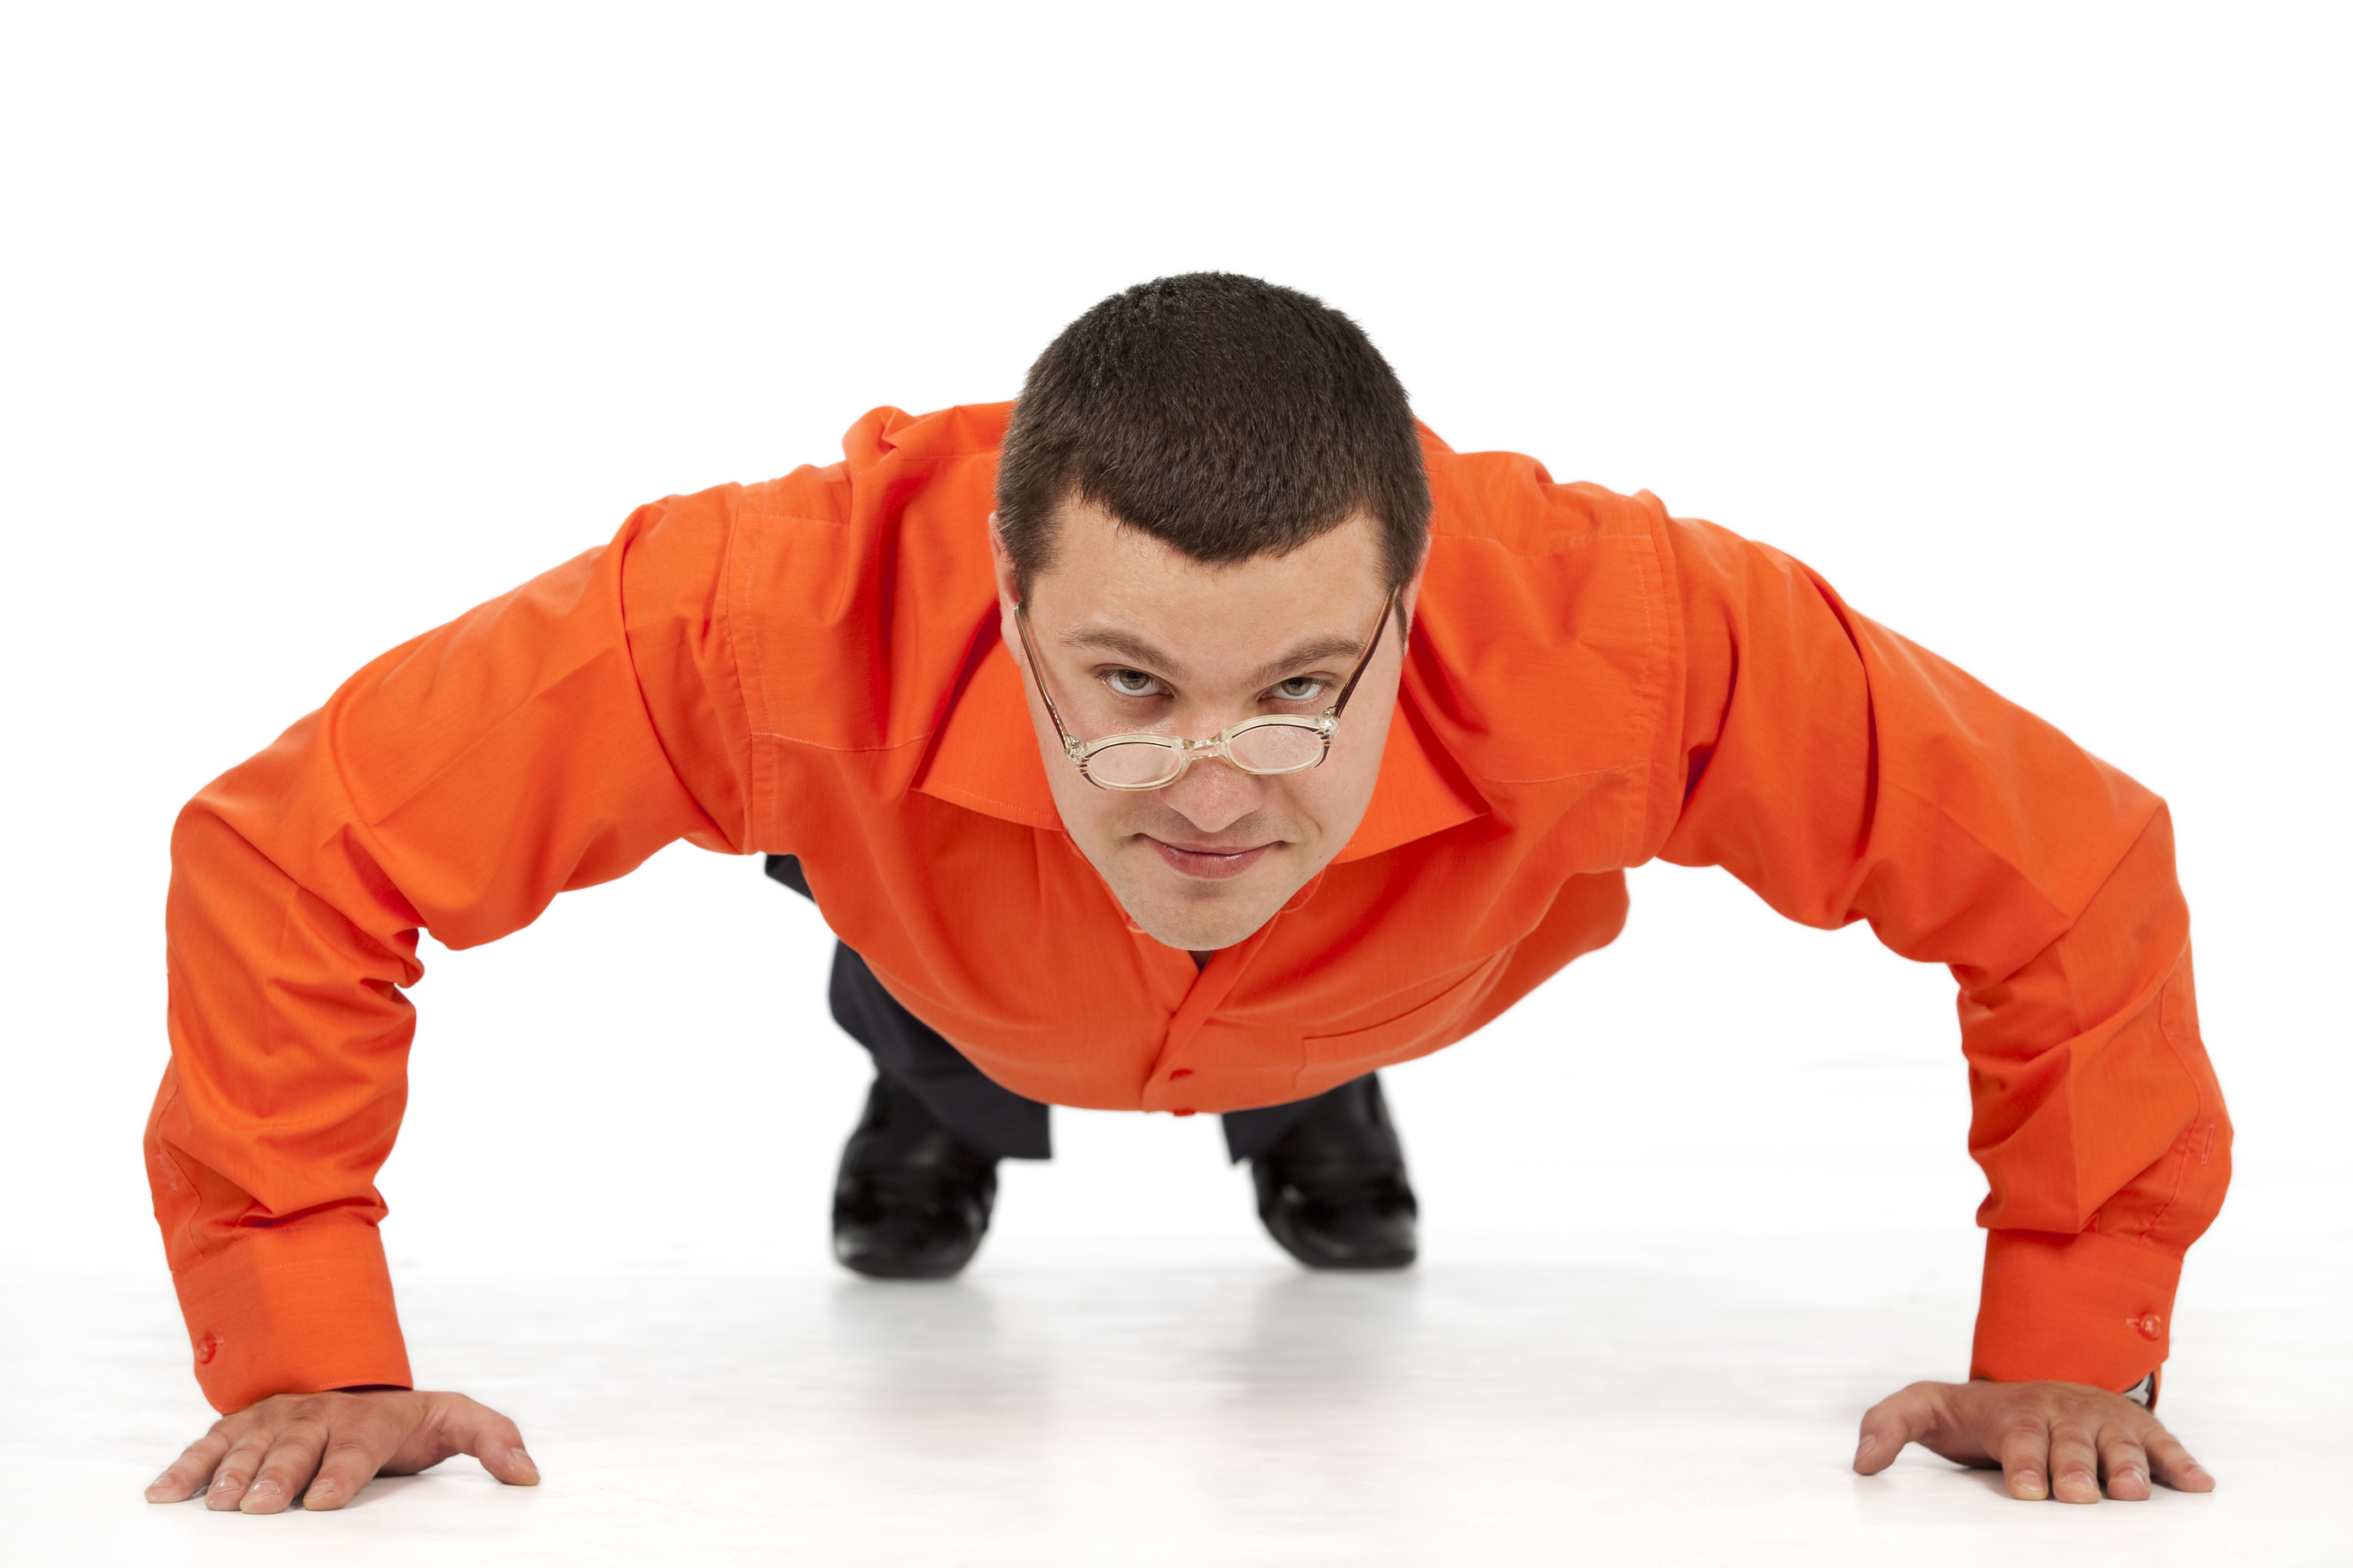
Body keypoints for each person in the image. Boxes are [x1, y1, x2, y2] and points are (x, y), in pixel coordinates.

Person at [141, 273, 2228, 1516]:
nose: (1216, 783)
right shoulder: (756, 616)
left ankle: (1305, 1087)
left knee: (1275, 958)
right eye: (1127, 682)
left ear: (1411, 606)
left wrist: (2067, 1341)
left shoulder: (1643, 641)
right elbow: (297, 846)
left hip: (1400, 973)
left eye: (1305, 686)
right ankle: (935, 1092)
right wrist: (305, 1346)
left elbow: (2069, 870)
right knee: (938, 1014)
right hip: (957, 944)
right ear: (1005, 590)